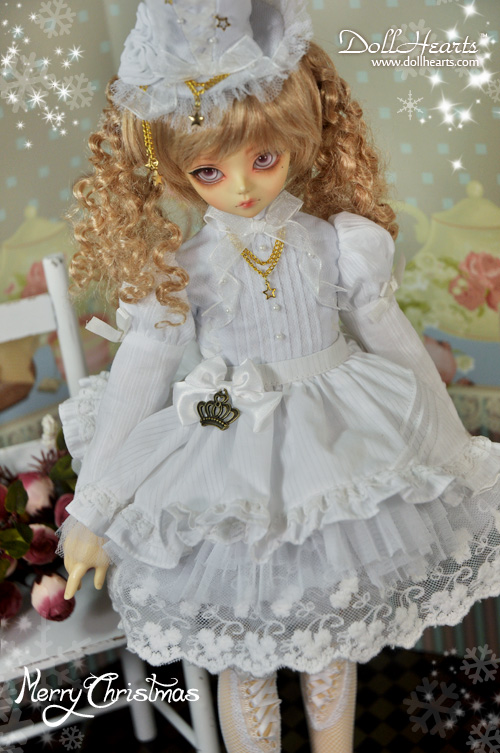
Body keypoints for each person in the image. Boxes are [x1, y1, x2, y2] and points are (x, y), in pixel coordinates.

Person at [57, 2, 500, 751]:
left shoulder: (339, 244)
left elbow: (392, 342)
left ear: (297, 140)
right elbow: (141, 374)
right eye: (209, 171)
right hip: (228, 444)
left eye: (263, 159)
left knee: (333, 633)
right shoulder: (182, 272)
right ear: (175, 171)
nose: (241, 187)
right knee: (245, 650)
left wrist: (452, 448)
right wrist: (92, 510)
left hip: (337, 440)